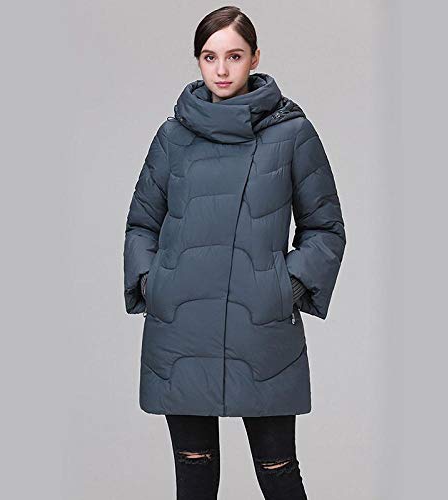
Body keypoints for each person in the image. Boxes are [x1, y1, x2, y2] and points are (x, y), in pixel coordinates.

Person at [123, 5, 346, 499]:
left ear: (255, 58)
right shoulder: (172, 137)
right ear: (197, 61)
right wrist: (154, 284)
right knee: (194, 477)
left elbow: (325, 228)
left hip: (261, 327)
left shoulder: (292, 134)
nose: (221, 70)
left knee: (278, 472)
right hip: (181, 328)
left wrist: (284, 288)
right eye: (210, 57)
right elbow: (142, 224)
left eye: (234, 56)